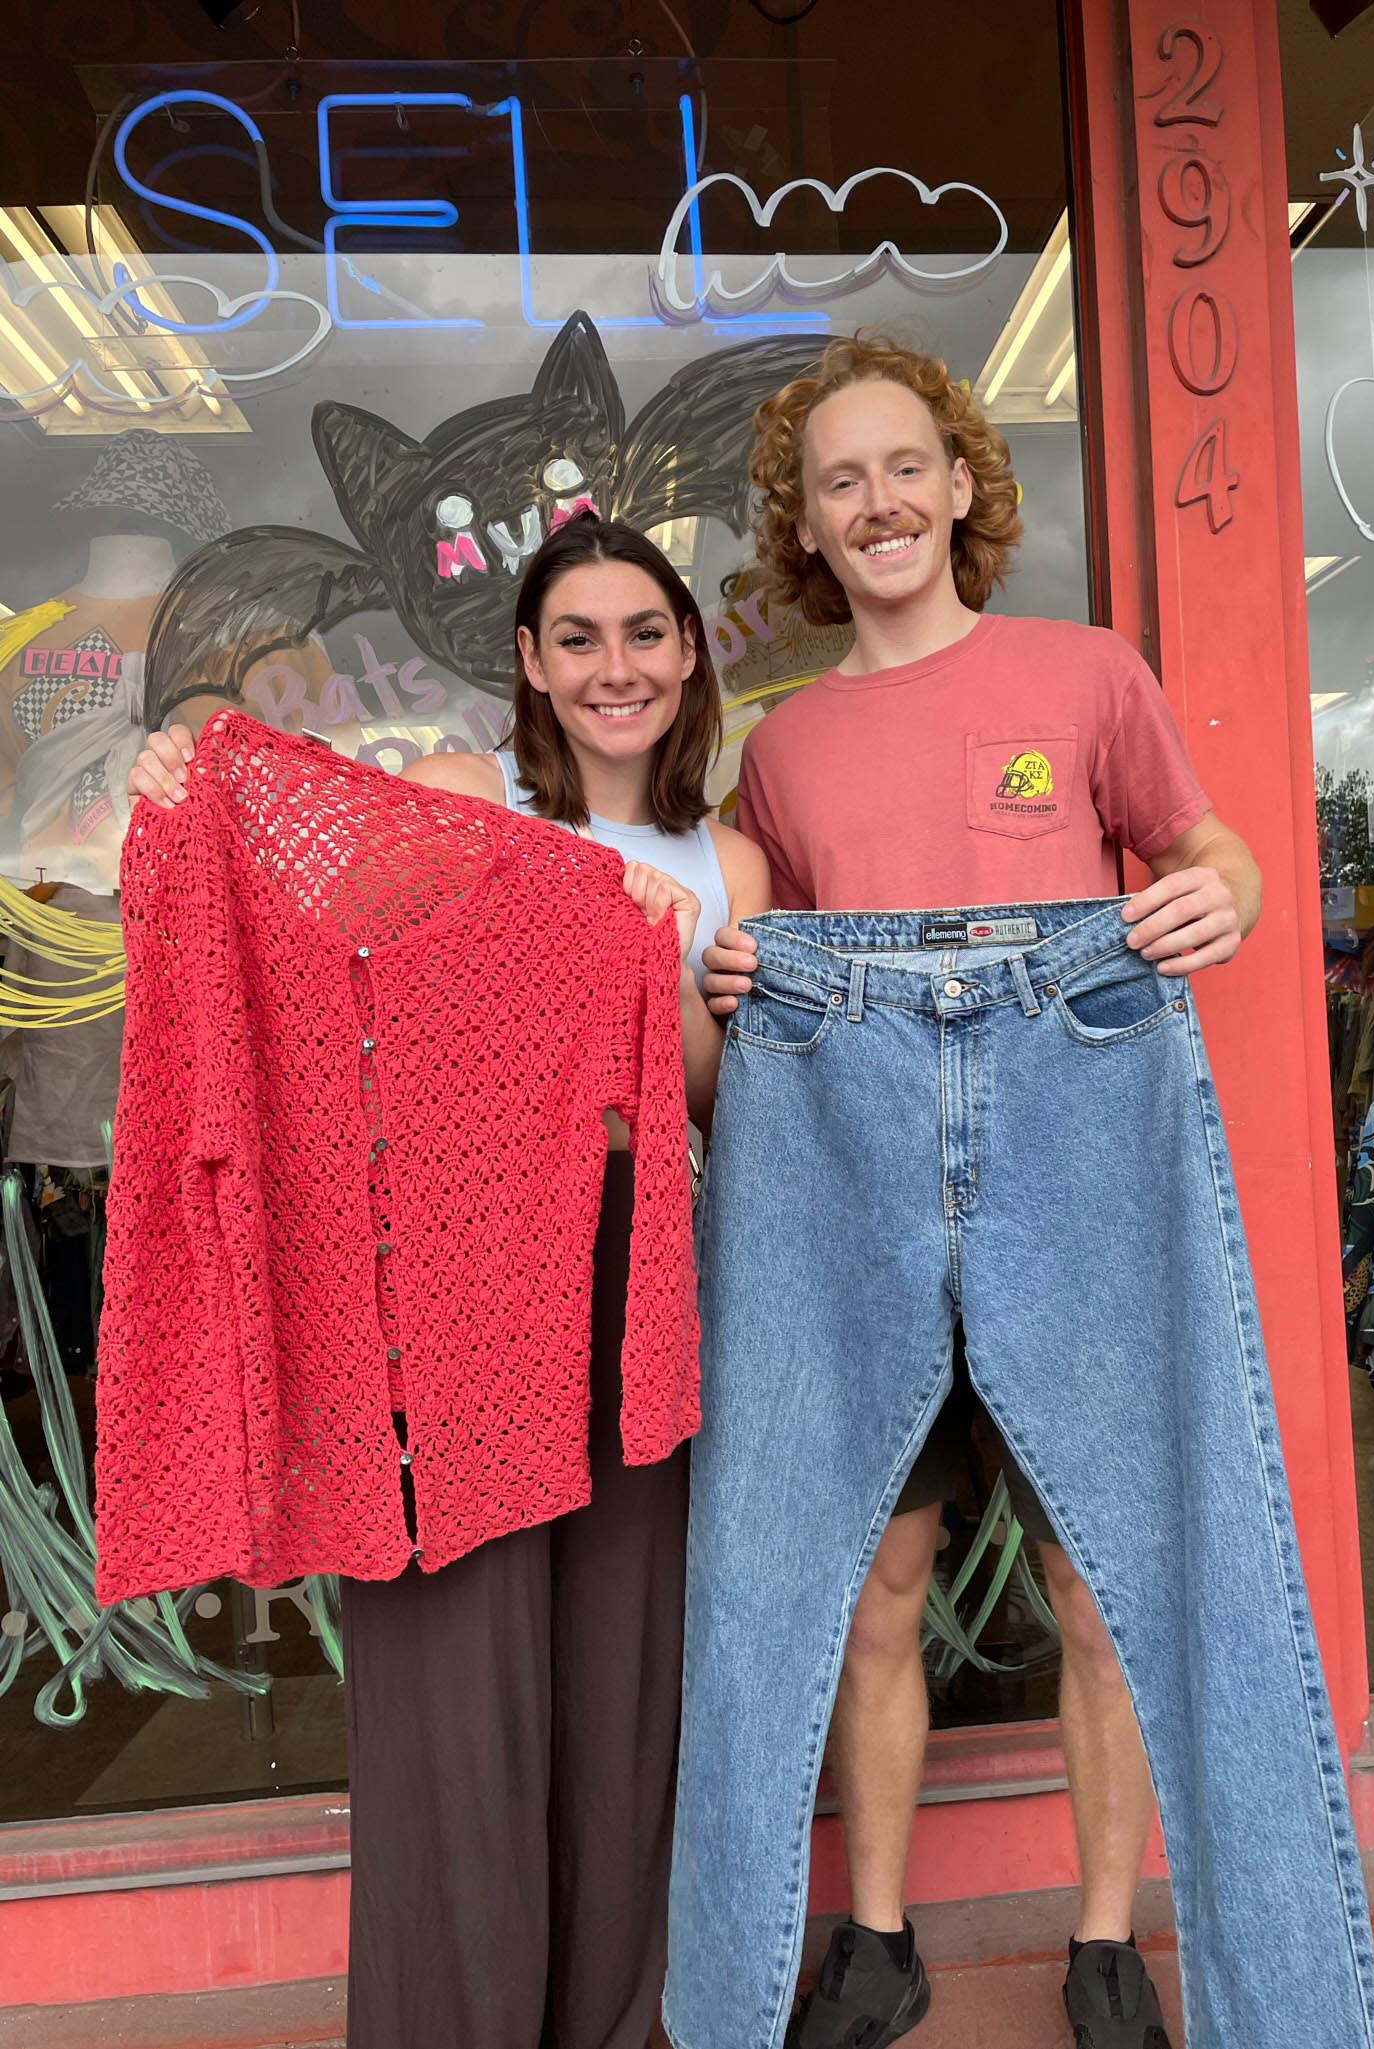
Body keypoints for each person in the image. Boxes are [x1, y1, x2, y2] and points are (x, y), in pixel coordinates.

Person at [127, 512, 769, 2049]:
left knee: (624, 1694)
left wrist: (658, 965)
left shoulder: (732, 855)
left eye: (645, 633)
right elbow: (313, 944)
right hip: (457, 1295)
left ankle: (617, 2024)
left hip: (638, 1276)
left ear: (689, 654)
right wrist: (185, 787)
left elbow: (712, 1100)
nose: (616, 667)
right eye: (579, 639)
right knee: (458, 1709)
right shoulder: (460, 798)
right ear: (531, 668)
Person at [697, 336, 1260, 2049]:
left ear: (959, 485)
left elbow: (1206, 850)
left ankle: (1105, 1942)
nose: (875, 502)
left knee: (1095, 1575)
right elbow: (727, 944)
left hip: (1068, 1184)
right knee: (874, 1578)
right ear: (809, 526)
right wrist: (733, 985)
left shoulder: (1087, 678)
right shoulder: (782, 750)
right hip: (860, 1198)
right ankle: (877, 1934)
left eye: (901, 467)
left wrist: (1218, 897)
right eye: (837, 481)